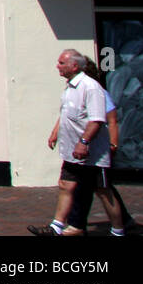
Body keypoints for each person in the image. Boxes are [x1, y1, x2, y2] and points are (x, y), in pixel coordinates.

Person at [28, 49, 111, 236]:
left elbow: (101, 119)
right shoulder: (70, 88)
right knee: (66, 185)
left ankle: (120, 228)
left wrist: (85, 142)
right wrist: (55, 132)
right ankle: (57, 227)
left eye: (61, 63)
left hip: (92, 153)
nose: (57, 66)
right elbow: (65, 114)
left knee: (103, 192)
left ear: (74, 66)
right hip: (72, 151)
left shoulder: (91, 88)